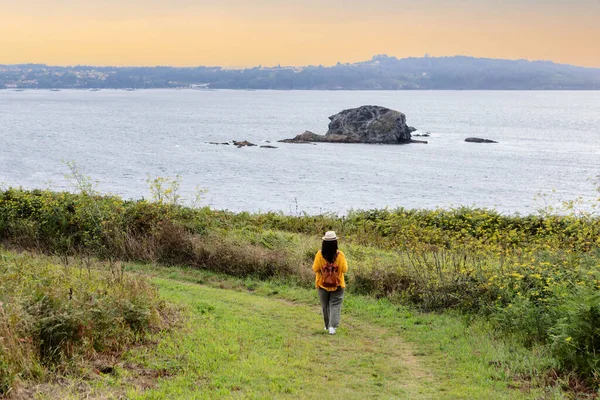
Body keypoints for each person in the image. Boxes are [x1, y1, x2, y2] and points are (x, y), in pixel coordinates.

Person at [312, 231, 348, 335]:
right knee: (335, 304)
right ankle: (333, 327)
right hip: (338, 284)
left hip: (322, 284)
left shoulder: (319, 254)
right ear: (335, 242)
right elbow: (345, 269)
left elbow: (315, 268)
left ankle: (326, 325)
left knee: (325, 305)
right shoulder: (340, 255)